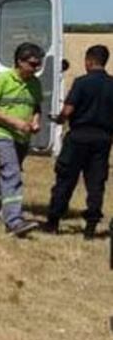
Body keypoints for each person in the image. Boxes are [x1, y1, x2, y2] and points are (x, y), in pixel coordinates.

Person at [42, 44, 113, 238]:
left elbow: (68, 110)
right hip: (103, 139)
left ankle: (54, 221)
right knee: (96, 183)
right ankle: (91, 226)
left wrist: (57, 120)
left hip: (79, 137)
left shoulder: (81, 82)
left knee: (65, 179)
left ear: (89, 61)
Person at [0, 42, 45, 237]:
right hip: (1, 133)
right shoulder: (3, 80)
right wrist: (14, 122)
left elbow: (36, 108)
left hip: (22, 136)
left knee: (6, 173)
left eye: (39, 64)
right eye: (33, 64)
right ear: (19, 62)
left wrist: (35, 122)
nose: (36, 68)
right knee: (12, 173)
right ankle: (14, 221)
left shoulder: (35, 83)